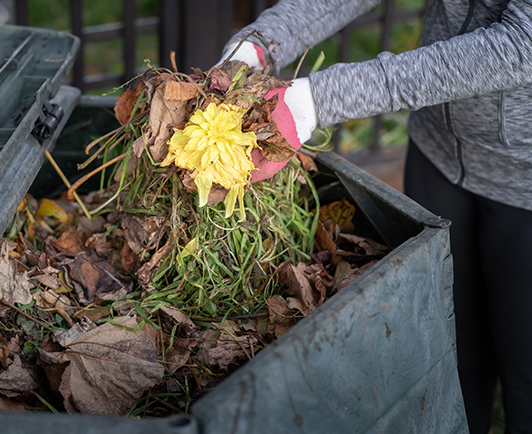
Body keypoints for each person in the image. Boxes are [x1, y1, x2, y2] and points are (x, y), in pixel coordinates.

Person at [220, 1, 532, 433]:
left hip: (526, 186)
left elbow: (522, 44)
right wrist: (259, 46)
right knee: (450, 352)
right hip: (437, 154)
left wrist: (316, 100)